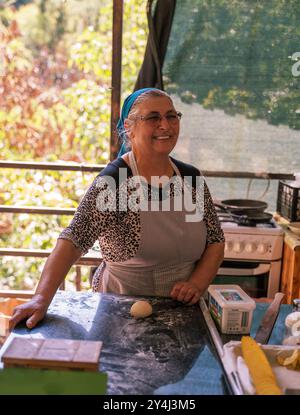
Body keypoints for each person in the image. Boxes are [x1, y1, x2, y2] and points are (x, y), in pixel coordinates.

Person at [9, 87, 225, 331]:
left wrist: (196, 283)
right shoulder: (116, 183)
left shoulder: (190, 179)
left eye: (172, 116)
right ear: (129, 128)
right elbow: (73, 239)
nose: (165, 125)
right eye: (153, 117)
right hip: (121, 312)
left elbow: (215, 240)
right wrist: (41, 298)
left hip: (184, 312)